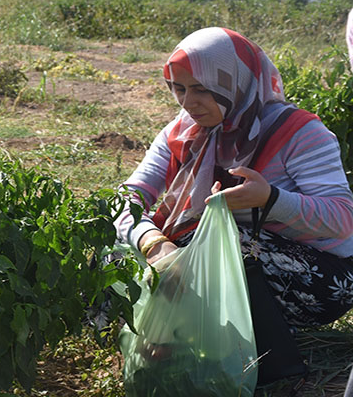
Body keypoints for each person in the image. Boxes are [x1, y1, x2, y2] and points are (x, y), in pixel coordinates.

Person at [114, 27, 353, 330]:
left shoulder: (298, 133)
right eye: (179, 88)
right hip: (236, 264)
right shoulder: (183, 133)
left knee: (215, 239)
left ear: (236, 82)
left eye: (202, 89)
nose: (188, 103)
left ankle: (226, 332)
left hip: (318, 276)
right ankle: (188, 329)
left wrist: (271, 200)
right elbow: (125, 200)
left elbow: (343, 219)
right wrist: (155, 244)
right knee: (114, 243)